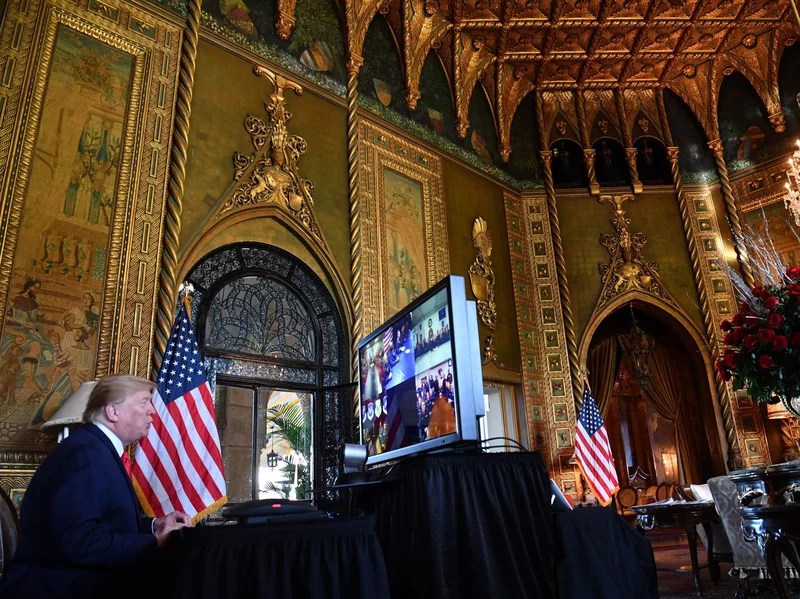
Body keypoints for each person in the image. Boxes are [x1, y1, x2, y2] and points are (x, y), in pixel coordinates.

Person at [0, 374, 192, 598]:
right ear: (113, 412)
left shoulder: (97, 449)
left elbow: (106, 523)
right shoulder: (85, 454)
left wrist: (155, 525)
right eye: (144, 402)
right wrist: (153, 542)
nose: (153, 411)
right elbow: (78, 540)